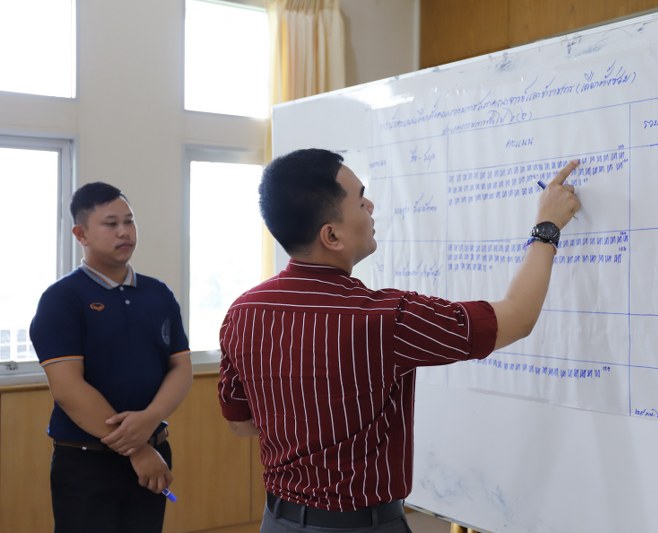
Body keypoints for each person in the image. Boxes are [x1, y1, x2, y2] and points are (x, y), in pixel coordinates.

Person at [217, 148, 580, 532]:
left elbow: (241, 423)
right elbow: (517, 317)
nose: (371, 206)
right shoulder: (379, 319)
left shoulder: (243, 312)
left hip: (278, 521)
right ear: (332, 235)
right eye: (361, 200)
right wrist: (547, 227)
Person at [30, 181, 192, 533]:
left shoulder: (158, 293)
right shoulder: (62, 299)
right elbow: (68, 389)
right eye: (111, 223)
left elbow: (180, 367)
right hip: (87, 461)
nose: (124, 232)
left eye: (129, 221)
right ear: (81, 234)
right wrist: (137, 450)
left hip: (155, 453)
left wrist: (151, 419)